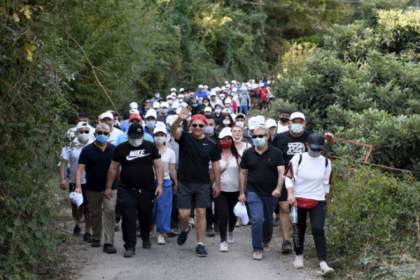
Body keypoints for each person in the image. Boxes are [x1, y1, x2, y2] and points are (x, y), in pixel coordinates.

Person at [272, 112, 334, 255]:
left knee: (300, 217)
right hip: (285, 177)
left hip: (305, 181)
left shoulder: (310, 136)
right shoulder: (280, 138)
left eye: (301, 121)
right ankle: (286, 240)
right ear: (289, 123)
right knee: (284, 207)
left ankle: (299, 242)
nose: (298, 124)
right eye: (295, 121)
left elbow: (323, 144)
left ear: (305, 124)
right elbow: (273, 153)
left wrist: (330, 139)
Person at [105, 123, 164, 258]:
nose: (135, 139)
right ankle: (130, 245)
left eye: (138, 136)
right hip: (127, 188)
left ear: (143, 136)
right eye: (133, 137)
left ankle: (145, 237)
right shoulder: (121, 148)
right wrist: (108, 187)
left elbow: (159, 167)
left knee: (145, 216)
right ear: (128, 136)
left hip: (147, 189)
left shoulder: (150, 146)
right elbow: (113, 168)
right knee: (128, 217)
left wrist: (159, 185)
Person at [170, 110, 221, 257]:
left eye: (200, 125)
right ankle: (185, 229)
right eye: (194, 125)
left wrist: (217, 184)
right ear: (190, 126)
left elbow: (216, 165)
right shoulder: (184, 137)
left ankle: (200, 244)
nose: (197, 128)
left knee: (201, 213)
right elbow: (173, 130)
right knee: (183, 214)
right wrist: (179, 119)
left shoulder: (212, 143)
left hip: (203, 183)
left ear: (205, 126)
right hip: (185, 182)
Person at [285, 133, 335, 276]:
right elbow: (288, 177)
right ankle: (298, 255)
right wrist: (290, 194)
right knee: (298, 228)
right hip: (298, 198)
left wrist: (326, 201)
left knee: (318, 228)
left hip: (318, 199)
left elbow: (326, 184)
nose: (316, 151)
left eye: (319, 149)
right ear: (307, 145)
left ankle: (323, 262)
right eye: (313, 148)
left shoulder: (326, 162)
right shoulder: (298, 158)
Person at [239, 125, 285, 260]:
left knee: (268, 220)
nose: (257, 139)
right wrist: (242, 192)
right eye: (255, 136)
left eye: (261, 136)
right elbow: (242, 172)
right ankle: (257, 248)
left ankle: (266, 240)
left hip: (271, 193)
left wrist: (278, 189)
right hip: (253, 191)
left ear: (268, 137)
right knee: (257, 219)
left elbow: (281, 172)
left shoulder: (276, 152)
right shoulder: (248, 153)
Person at [75, 123, 117, 254]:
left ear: (109, 135)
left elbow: (118, 169)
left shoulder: (114, 149)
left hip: (112, 188)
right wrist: (77, 186)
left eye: (105, 133)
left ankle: (109, 242)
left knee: (109, 210)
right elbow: (79, 169)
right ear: (95, 134)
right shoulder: (87, 150)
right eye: (99, 132)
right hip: (92, 188)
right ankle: (96, 237)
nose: (102, 135)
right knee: (95, 213)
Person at [60, 122, 93, 240]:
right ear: (76, 132)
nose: (84, 134)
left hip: (90, 181)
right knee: (75, 205)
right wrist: (63, 178)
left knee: (89, 207)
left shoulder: (93, 144)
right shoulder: (70, 145)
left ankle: (88, 231)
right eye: (81, 131)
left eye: (86, 131)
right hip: (75, 181)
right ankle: (77, 224)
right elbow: (63, 161)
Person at [212, 128, 242, 252]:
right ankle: (223, 240)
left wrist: (242, 191)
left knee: (233, 214)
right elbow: (211, 173)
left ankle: (231, 231)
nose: (226, 141)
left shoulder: (238, 156)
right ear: (219, 141)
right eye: (223, 139)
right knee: (223, 214)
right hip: (220, 189)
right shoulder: (215, 156)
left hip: (235, 189)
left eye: (228, 139)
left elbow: (243, 174)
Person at [152, 125, 178, 245]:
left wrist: (176, 183)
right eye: (157, 135)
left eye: (161, 135)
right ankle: (148, 227)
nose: (159, 137)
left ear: (166, 137)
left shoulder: (170, 152)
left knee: (164, 208)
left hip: (166, 181)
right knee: (151, 208)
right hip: (150, 181)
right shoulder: (149, 149)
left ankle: (161, 232)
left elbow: (172, 169)